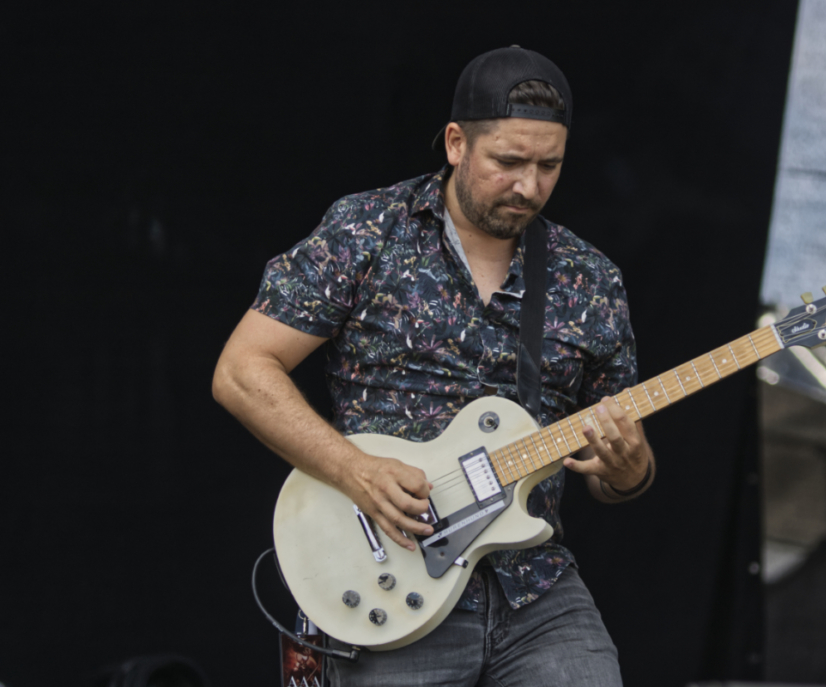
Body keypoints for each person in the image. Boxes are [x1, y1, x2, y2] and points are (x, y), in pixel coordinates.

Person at [212, 46, 655, 686]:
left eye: (549, 166)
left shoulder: (590, 279)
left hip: (533, 587)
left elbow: (611, 467)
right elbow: (242, 371)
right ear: (456, 143)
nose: (529, 187)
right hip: (389, 573)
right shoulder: (368, 231)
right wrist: (354, 469)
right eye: (508, 162)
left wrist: (629, 469)